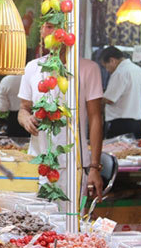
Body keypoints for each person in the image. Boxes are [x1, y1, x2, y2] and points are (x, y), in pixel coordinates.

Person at [18, 22, 104, 199]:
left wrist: (94, 167)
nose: (51, 32)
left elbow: (96, 118)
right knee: (37, 221)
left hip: (74, 165)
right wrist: (25, 119)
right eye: (47, 27)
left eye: (56, 27)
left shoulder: (88, 69)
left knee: (70, 222)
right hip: (39, 162)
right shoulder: (32, 68)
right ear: (41, 32)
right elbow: (23, 109)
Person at [100, 46, 141, 139]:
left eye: (106, 66)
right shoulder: (140, 71)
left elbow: (110, 99)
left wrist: (95, 99)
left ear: (112, 60)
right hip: (137, 124)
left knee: (116, 153)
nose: (107, 70)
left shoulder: (120, 72)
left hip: (121, 125)